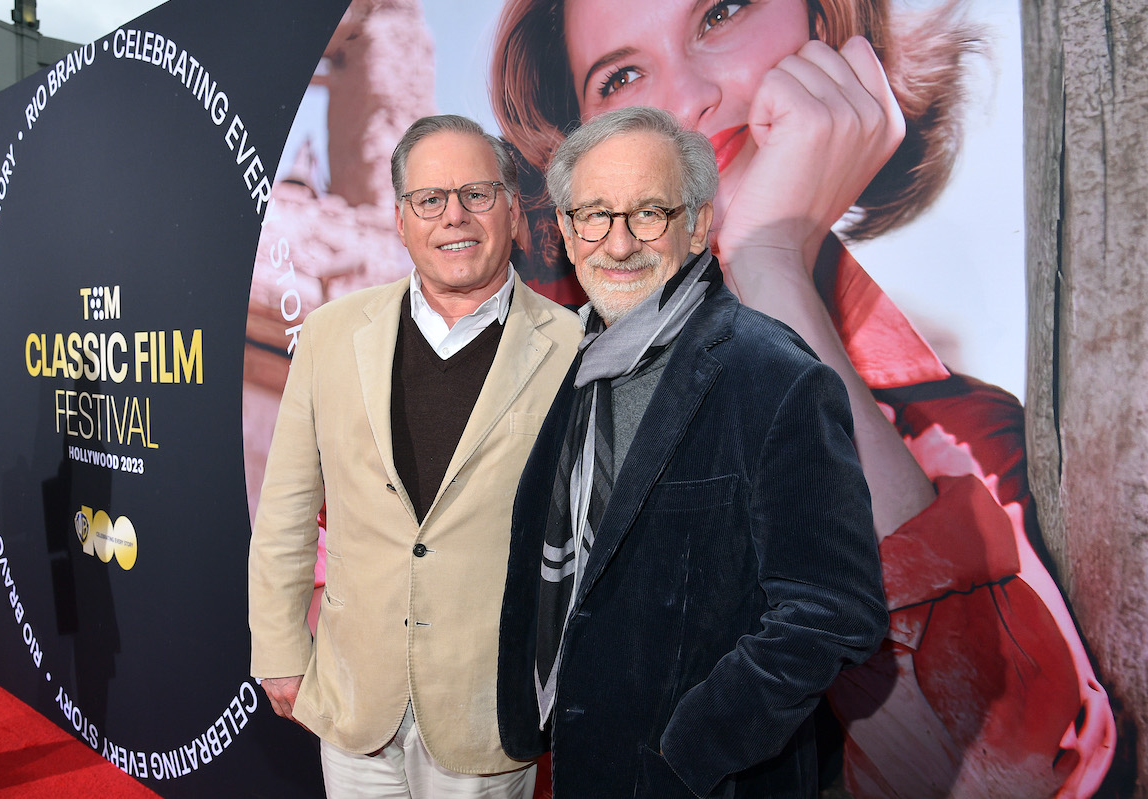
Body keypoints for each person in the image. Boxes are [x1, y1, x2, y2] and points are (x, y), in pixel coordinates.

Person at [490, 2, 1116, 796]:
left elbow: (995, 777)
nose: (689, 100)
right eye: (621, 77)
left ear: (824, 23)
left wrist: (771, 261)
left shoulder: (964, 440)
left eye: (720, 13)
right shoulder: (507, 381)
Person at [497, 105, 889, 798]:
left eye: (649, 213)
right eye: (594, 215)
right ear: (565, 229)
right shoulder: (560, 361)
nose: (619, 244)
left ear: (699, 224)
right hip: (574, 765)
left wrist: (689, 750)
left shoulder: (775, 376)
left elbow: (834, 608)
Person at [247, 114, 582, 798]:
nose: (454, 215)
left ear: (513, 211)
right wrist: (279, 647)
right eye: (429, 199)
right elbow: (285, 507)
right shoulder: (330, 334)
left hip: (488, 709)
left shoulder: (573, 348)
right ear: (401, 220)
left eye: (477, 194)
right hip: (354, 697)